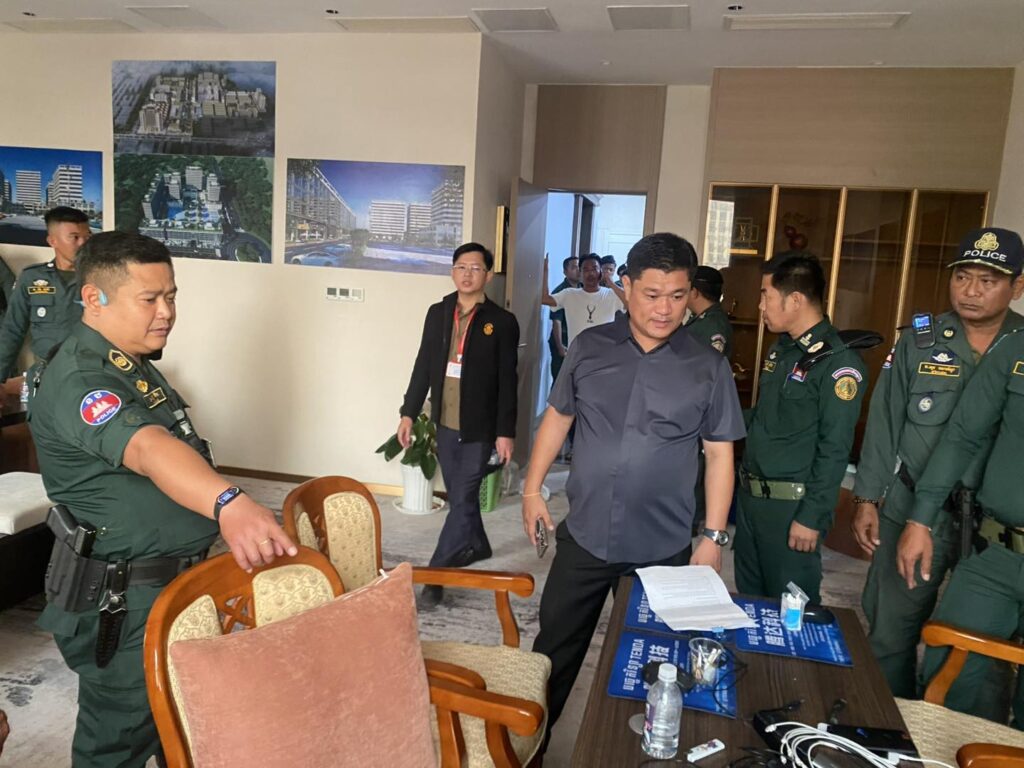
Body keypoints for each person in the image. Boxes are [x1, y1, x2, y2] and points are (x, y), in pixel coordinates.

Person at [29, 231, 297, 767]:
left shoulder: (128, 361)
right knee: (119, 741)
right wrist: (229, 503)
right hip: (124, 601)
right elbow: (148, 448)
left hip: (167, 584)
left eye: (171, 296)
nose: (167, 312)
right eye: (149, 299)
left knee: (175, 727)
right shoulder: (83, 377)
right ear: (94, 298)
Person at [522, 233, 745, 740]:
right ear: (626, 285)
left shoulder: (707, 366)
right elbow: (558, 417)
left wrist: (713, 537)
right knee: (552, 656)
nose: (665, 309)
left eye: (678, 295)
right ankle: (531, 749)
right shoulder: (590, 347)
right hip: (586, 535)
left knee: (656, 665)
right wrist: (532, 490)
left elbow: (719, 454)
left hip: (662, 546)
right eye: (652, 294)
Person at [853, 227, 1024, 699]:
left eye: (987, 281)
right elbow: (885, 420)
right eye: (962, 277)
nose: (971, 291)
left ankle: (958, 730)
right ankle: (894, 721)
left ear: (1017, 287)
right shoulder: (921, 340)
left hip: (991, 527)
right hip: (913, 501)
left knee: (974, 647)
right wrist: (867, 497)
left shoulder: (1020, 345)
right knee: (890, 628)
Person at [900, 230, 1024, 726]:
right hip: (994, 555)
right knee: (952, 673)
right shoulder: (1016, 352)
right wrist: (920, 519)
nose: (971, 290)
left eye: (987, 280)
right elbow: (963, 437)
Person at [734, 253, 868, 604]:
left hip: (791, 508)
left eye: (765, 295)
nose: (760, 305)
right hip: (751, 501)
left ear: (794, 300)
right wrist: (712, 420)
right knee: (750, 603)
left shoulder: (838, 363)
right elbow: (766, 418)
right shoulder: (784, 351)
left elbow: (835, 447)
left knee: (791, 611)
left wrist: (812, 516)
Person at [397, 242, 519, 608]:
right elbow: (423, 364)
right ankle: (477, 544)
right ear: (453, 271)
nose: (468, 274)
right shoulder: (438, 313)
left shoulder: (502, 322)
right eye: (461, 267)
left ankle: (435, 575)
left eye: (476, 268)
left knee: (462, 498)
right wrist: (408, 412)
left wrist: (505, 431)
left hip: (480, 428)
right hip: (445, 424)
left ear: (488, 275)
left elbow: (507, 381)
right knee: (461, 500)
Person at [0, 207, 92, 382]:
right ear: (52, 241)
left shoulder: (100, 278)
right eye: (74, 237)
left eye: (87, 237)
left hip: (89, 372)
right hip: (45, 373)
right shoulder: (32, 277)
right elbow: (13, 330)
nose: (83, 244)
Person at [541, 253, 623, 346]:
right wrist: (545, 271)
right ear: (580, 273)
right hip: (576, 353)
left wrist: (611, 283)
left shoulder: (611, 295)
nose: (590, 273)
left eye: (594, 268)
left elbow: (631, 304)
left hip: (604, 353)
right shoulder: (569, 294)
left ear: (600, 271)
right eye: (586, 269)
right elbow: (544, 299)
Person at [685, 265, 733, 359]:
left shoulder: (713, 325)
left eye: (684, 290)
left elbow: (707, 363)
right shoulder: (699, 318)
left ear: (694, 292)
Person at [548, 255, 579, 384]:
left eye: (579, 267)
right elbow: (557, 321)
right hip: (563, 339)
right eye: (574, 267)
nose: (578, 270)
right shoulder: (560, 291)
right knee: (560, 381)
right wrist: (560, 345)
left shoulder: (583, 288)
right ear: (565, 271)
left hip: (577, 340)